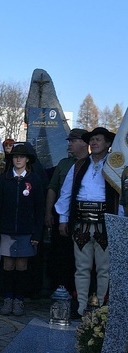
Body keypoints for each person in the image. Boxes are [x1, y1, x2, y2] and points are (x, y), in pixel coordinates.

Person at [55, 127, 120, 316]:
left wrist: (120, 222)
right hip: (81, 222)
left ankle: (100, 309)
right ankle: (82, 306)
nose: (94, 142)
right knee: (81, 267)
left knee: (104, 268)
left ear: (108, 144)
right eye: (92, 139)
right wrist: (63, 219)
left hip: (106, 223)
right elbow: (66, 193)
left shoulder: (116, 167)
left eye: (98, 139)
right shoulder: (79, 166)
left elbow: (121, 197)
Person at [0, 142, 45, 316]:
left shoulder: (34, 180)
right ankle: (7, 299)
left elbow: (40, 209)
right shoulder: (4, 179)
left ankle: (19, 300)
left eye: (21, 156)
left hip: (26, 230)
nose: (18, 159)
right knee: (8, 264)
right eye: (15, 156)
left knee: (22, 265)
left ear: (27, 160)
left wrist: (37, 233)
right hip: (7, 230)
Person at [45, 128, 89, 317]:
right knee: (60, 258)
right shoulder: (64, 164)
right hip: (61, 218)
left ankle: (77, 297)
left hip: (82, 220)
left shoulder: (91, 164)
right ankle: (58, 296)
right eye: (69, 141)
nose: (69, 144)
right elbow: (53, 189)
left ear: (84, 143)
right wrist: (48, 212)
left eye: (73, 140)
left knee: (80, 261)